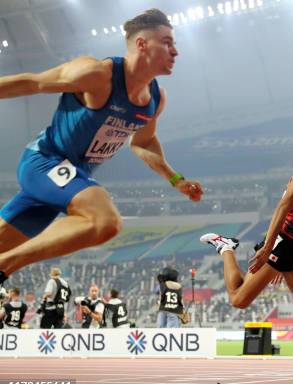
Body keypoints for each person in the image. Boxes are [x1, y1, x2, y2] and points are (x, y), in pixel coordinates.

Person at [0, 8, 203, 287]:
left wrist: (175, 178)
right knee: (105, 221)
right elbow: (32, 82)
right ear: (142, 44)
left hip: (68, 180)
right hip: (44, 162)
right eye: (167, 42)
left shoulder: (156, 98)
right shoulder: (97, 74)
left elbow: (143, 142)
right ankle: (4, 266)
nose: (175, 51)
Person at [201, 124, 293, 383]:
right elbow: (282, 206)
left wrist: (285, 264)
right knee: (239, 300)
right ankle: (226, 248)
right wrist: (268, 250)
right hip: (283, 245)